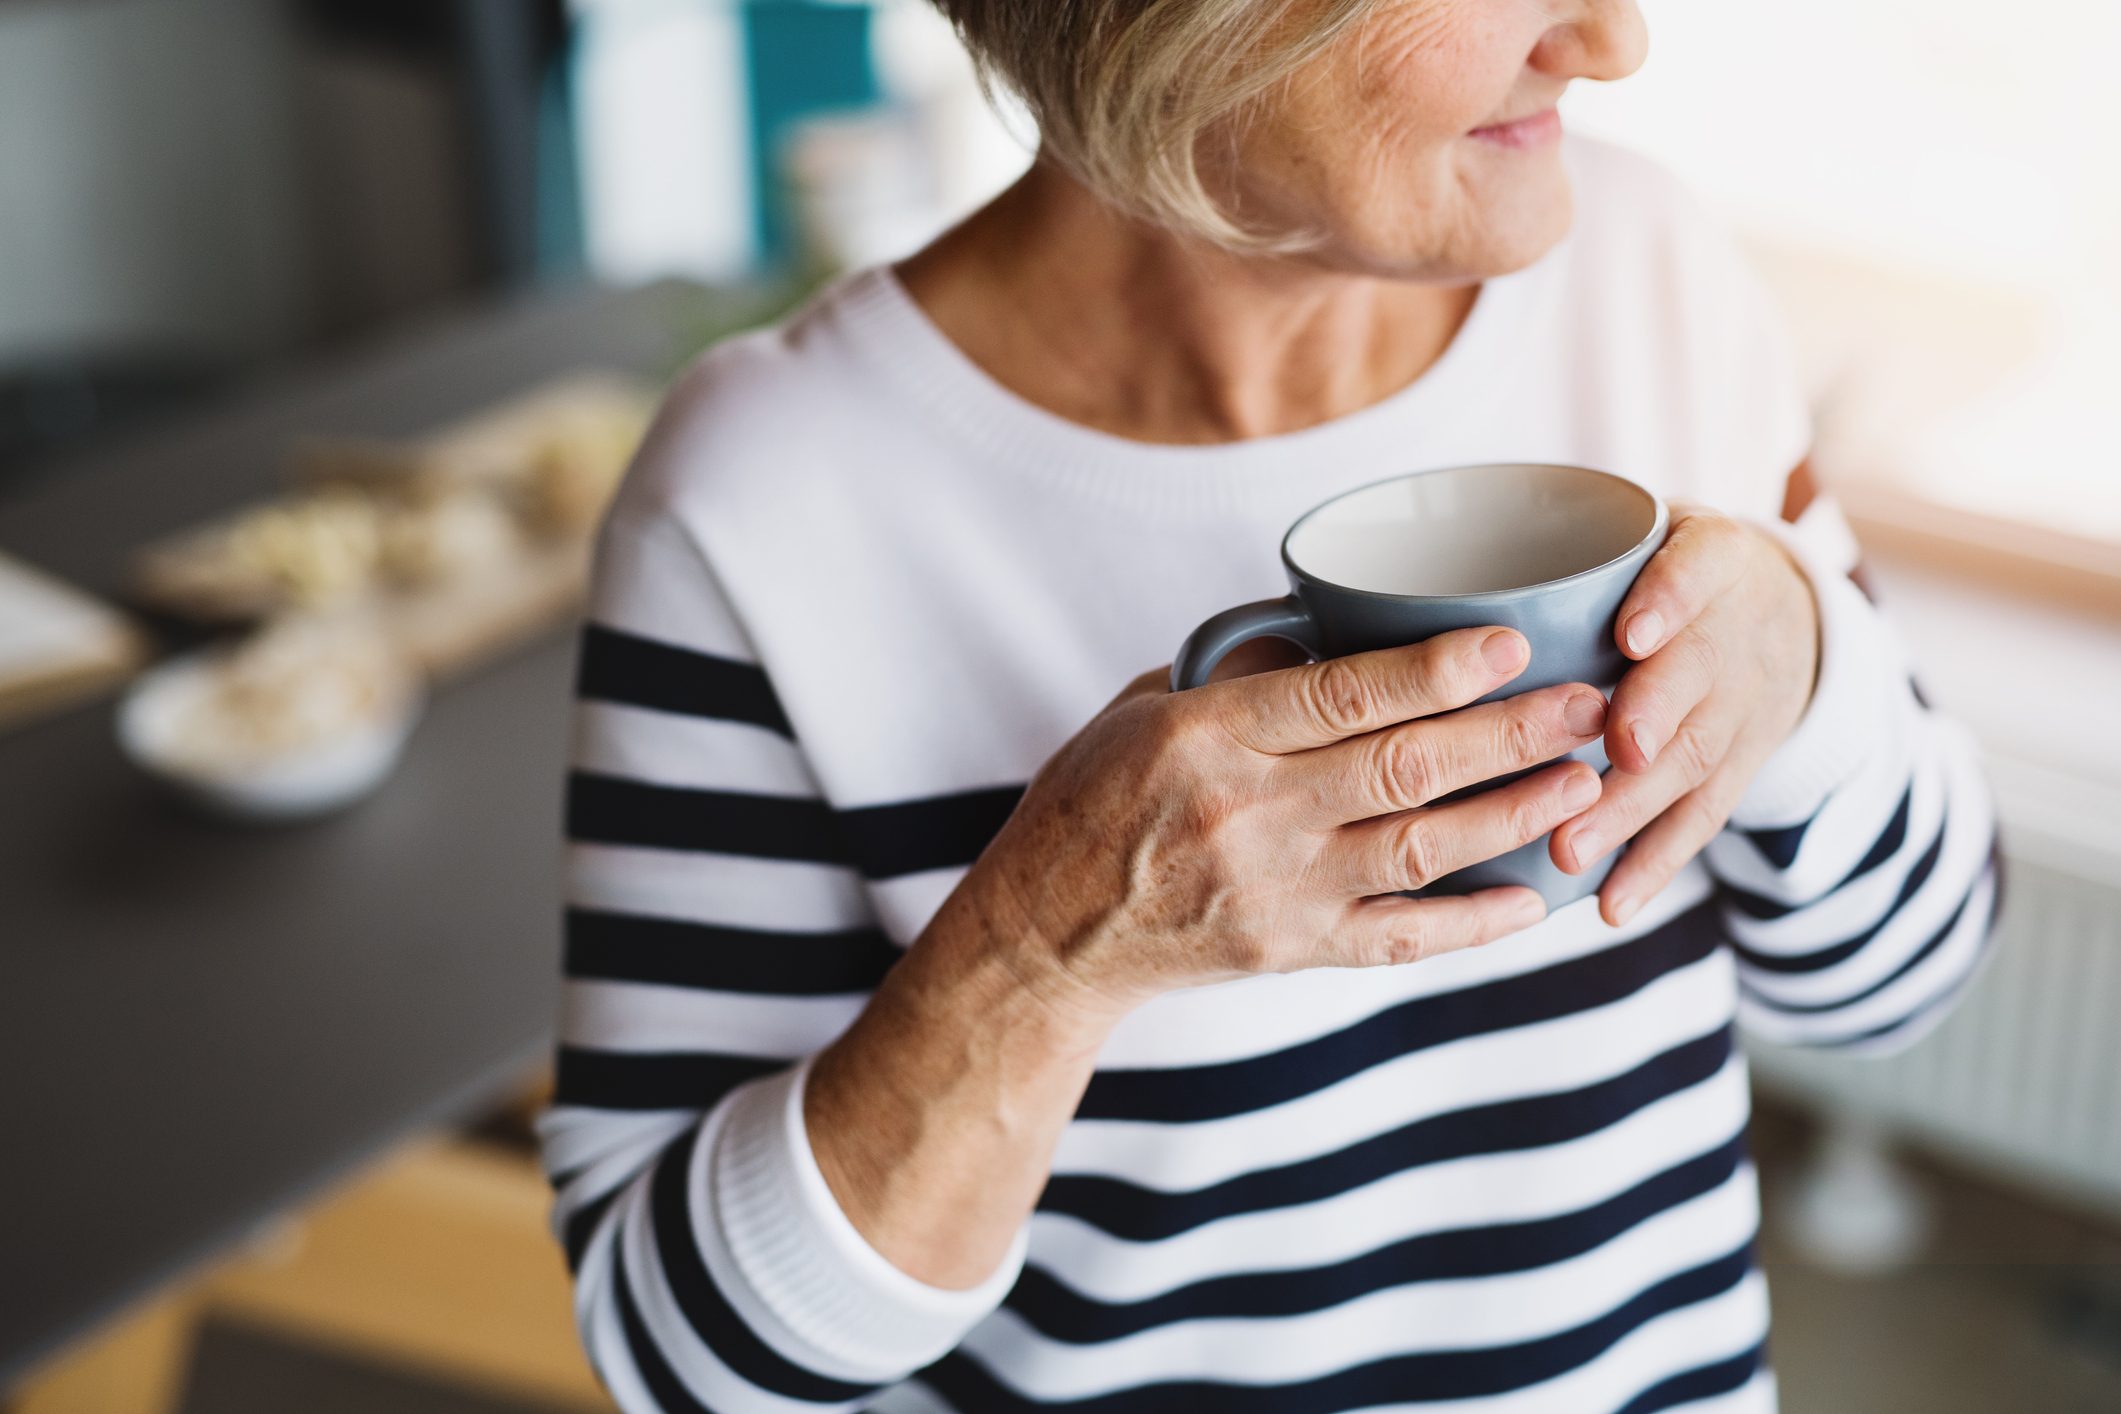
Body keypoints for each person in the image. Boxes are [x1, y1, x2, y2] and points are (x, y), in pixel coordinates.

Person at [536, 1, 2001, 1409]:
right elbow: (684, 1361)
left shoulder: (1645, 274)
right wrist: (1041, 953)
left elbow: (1897, 981)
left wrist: (1805, 667)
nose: (1612, 40)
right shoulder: (760, 502)